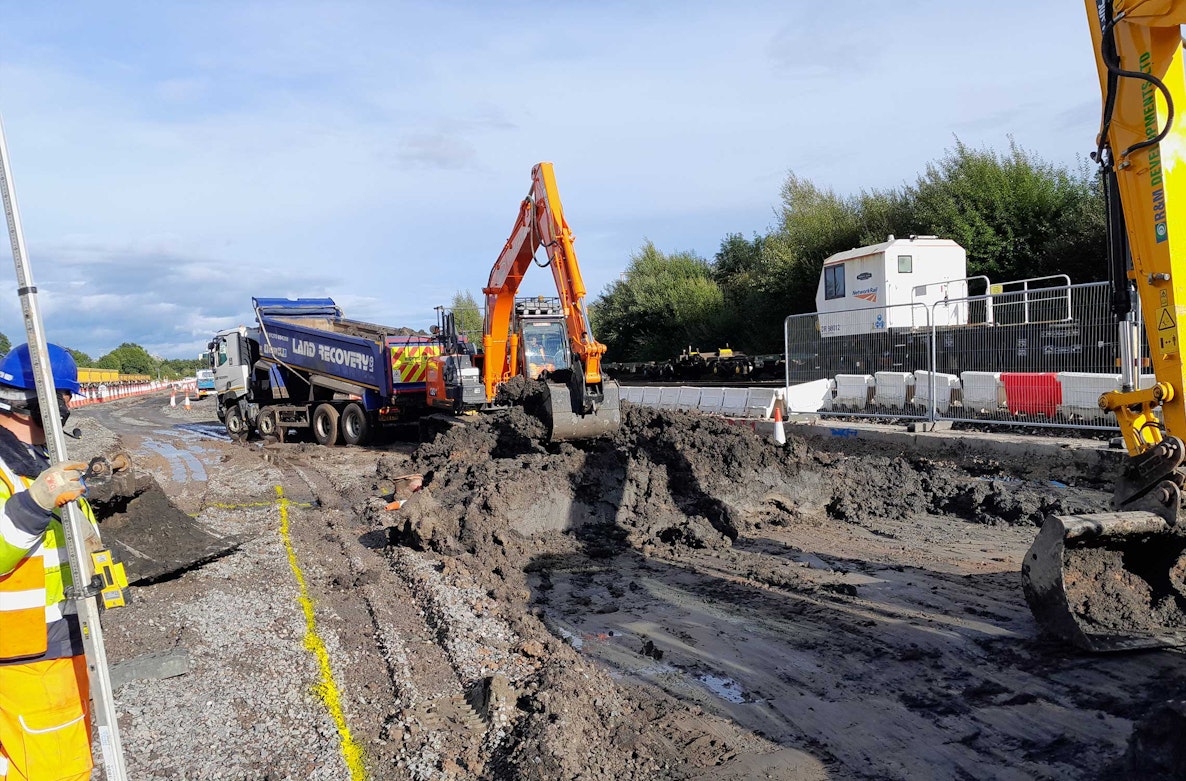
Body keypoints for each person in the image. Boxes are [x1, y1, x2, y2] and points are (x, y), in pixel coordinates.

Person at [0, 343, 95, 781]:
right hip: (29, 649)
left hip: (57, 636)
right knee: (56, 766)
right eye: (63, 398)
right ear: (30, 402)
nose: (69, 407)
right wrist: (36, 502)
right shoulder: (9, 469)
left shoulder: (33, 461)